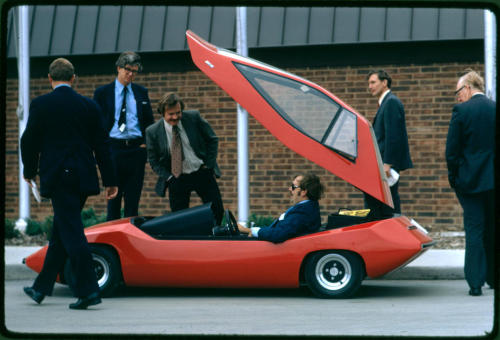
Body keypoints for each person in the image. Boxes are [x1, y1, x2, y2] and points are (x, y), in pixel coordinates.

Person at [21, 58, 118, 309]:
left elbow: (29, 141)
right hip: (83, 176)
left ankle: (88, 291)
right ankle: (41, 287)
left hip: (58, 176)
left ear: (50, 79)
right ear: (73, 78)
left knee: (72, 233)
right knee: (62, 233)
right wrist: (110, 180)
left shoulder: (41, 104)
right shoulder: (89, 106)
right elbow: (102, 145)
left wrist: (29, 171)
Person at [445, 69, 495, 296]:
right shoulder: (495, 109)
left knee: (474, 229)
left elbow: (451, 152)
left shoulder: (461, 111)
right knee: (493, 229)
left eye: (458, 92)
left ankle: (475, 283)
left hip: (470, 183)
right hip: (494, 182)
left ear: (467, 87)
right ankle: (494, 279)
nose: (457, 97)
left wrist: (454, 178)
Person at [146, 92, 224, 224]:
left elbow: (212, 140)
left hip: (201, 172)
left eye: (178, 112)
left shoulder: (193, 118)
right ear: (162, 113)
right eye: (171, 114)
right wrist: (169, 177)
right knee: (179, 218)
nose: (175, 117)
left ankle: (214, 239)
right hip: (177, 177)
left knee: (217, 211)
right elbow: (153, 161)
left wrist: (208, 165)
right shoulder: (153, 132)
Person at [93, 51, 154, 221]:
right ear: (118, 68)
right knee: (113, 200)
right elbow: (96, 124)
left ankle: (129, 240)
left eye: (134, 71)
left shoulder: (141, 92)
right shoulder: (103, 93)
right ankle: (111, 241)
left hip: (135, 150)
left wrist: (145, 145)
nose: (130, 74)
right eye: (127, 70)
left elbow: (149, 121)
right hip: (113, 149)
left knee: (133, 202)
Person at [365, 69, 413, 216]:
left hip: (386, 166)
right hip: (384, 164)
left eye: (373, 82)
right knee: (385, 203)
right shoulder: (386, 102)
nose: (370, 86)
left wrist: (387, 163)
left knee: (388, 205)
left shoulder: (391, 102)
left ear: (384, 83)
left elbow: (394, 136)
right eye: (369, 83)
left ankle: (393, 234)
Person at [238, 173, 324, 243]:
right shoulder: (306, 208)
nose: (290, 189)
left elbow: (279, 234)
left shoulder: (303, 212)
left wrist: (251, 231)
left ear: (303, 192)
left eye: (293, 187)